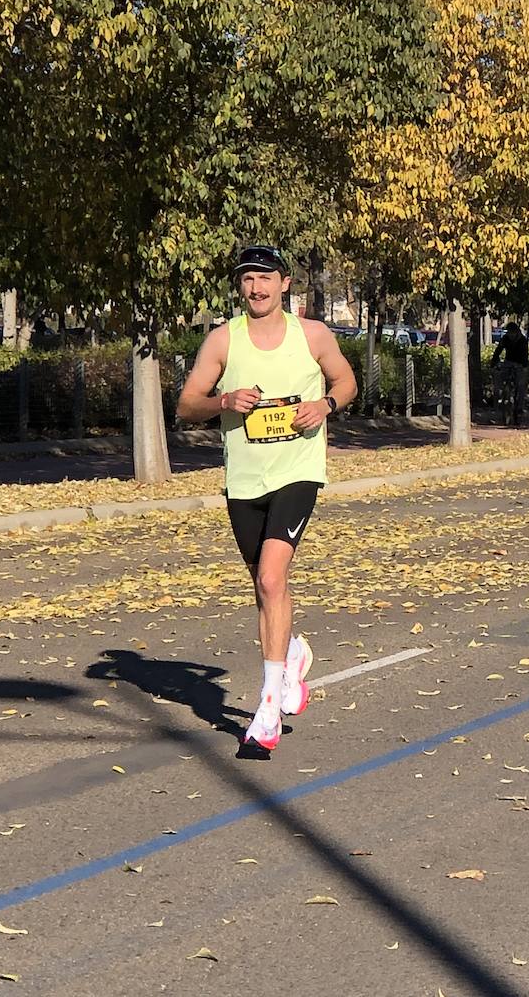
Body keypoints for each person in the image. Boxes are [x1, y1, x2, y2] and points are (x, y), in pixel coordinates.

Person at [176, 245, 358, 754]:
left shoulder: (312, 335)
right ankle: (292, 655)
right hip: (244, 480)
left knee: (272, 577)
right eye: (247, 280)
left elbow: (347, 382)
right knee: (265, 587)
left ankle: (268, 710)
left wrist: (324, 404)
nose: (255, 288)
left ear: (284, 283)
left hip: (298, 472)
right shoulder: (223, 340)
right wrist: (224, 402)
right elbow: (188, 404)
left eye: (264, 278)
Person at [491, 322, 529, 425]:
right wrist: (494, 362)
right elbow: (498, 350)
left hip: (519, 364)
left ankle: (520, 408)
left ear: (516, 332)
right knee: (501, 380)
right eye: (509, 332)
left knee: (520, 386)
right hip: (508, 362)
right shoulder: (505, 339)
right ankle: (500, 400)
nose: (510, 335)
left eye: (512, 332)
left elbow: (525, 355)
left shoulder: (522, 340)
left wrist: (524, 366)